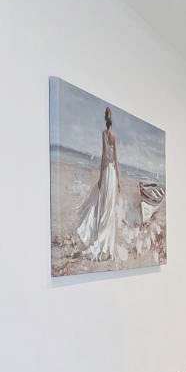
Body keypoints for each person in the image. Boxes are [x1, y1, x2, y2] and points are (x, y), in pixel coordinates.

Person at [75, 107, 123, 260]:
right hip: (113, 174)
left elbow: (104, 156)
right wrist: (119, 180)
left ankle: (103, 242)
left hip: (107, 173)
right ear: (111, 120)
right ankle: (107, 246)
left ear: (105, 119)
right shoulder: (114, 136)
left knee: (104, 207)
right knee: (108, 208)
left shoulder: (104, 134)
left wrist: (101, 177)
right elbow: (116, 160)